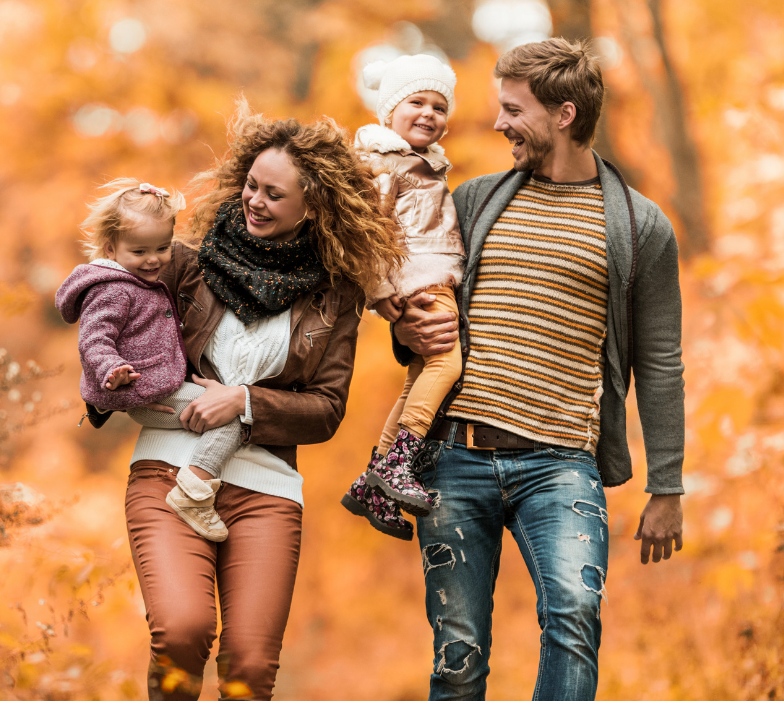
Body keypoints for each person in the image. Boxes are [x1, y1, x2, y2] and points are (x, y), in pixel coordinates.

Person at [391, 38, 686, 700]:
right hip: (455, 457)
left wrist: (666, 486)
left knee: (575, 619)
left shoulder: (641, 227)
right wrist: (406, 328)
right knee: (458, 659)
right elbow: (420, 299)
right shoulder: (471, 202)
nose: (497, 123)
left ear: (564, 115)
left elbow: (661, 361)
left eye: (512, 109)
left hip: (562, 465)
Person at [87, 102, 404, 700]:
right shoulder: (186, 264)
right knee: (183, 630)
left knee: (251, 668)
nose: (255, 201)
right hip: (168, 470)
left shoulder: (335, 296)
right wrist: (108, 373)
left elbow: (328, 408)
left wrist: (244, 402)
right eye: (252, 187)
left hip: (267, 491)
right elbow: (108, 294)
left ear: (313, 208)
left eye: (274, 195)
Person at [55, 179, 243, 542]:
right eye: (140, 251)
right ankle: (194, 493)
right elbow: (94, 339)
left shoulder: (139, 281)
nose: (153, 259)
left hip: (158, 386)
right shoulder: (112, 289)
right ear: (111, 248)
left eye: (162, 247)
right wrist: (112, 370)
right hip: (143, 391)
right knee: (231, 414)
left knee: (222, 410)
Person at [339, 54, 466, 540]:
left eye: (439, 107)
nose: (429, 113)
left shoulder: (422, 163)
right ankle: (398, 463)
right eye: (417, 102)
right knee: (445, 367)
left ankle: (373, 481)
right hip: (420, 278)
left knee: (418, 377)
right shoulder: (383, 162)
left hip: (427, 276)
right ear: (389, 111)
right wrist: (379, 290)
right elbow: (363, 230)